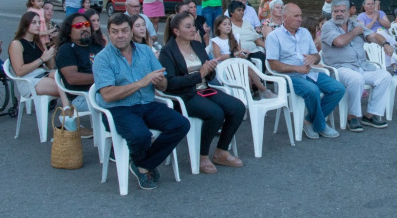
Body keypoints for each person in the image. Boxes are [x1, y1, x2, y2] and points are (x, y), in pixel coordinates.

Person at [93, 13, 191, 190]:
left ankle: (143, 164)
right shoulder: (103, 58)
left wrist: (159, 80)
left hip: (146, 104)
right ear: (108, 33)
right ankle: (144, 164)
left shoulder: (145, 51)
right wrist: (142, 82)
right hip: (118, 108)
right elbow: (107, 95)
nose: (120, 35)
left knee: (181, 124)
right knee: (141, 135)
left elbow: (163, 85)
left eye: (124, 30)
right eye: (114, 32)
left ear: (131, 32)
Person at [160, 12, 245, 174]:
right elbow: (170, 83)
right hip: (184, 95)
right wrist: (199, 74)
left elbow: (209, 75)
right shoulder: (167, 51)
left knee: (238, 107)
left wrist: (210, 69)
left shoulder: (197, 45)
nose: (194, 29)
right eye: (189, 26)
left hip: (204, 89)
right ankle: (202, 156)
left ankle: (221, 151)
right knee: (215, 113)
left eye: (193, 25)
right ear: (176, 31)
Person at [266, 3, 345, 139]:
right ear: (284, 17)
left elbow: (316, 56)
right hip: (289, 78)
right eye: (296, 16)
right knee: (312, 90)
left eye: (300, 15)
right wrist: (297, 68)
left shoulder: (305, 33)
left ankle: (308, 120)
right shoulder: (274, 36)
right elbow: (273, 65)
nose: (300, 19)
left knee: (338, 88)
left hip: (309, 73)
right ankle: (321, 126)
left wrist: (312, 58)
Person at [322, 0, 393, 132]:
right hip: (340, 68)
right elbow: (339, 42)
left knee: (385, 76)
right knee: (356, 78)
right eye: (335, 11)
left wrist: (385, 43)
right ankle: (352, 116)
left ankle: (370, 114)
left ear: (349, 12)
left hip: (361, 65)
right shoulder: (328, 26)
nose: (338, 14)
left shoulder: (355, 25)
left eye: (342, 11)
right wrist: (355, 33)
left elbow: (373, 36)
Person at [7, 12, 70, 109]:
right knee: (67, 88)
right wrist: (41, 59)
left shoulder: (39, 42)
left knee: (64, 77)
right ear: (25, 24)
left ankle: (67, 111)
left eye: (39, 23)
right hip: (27, 80)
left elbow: (51, 66)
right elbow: (19, 71)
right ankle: (68, 114)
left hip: (42, 74)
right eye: (34, 23)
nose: (38, 25)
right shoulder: (17, 44)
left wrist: (54, 47)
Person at [212, 15, 275, 99]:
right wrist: (234, 54)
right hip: (225, 68)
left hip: (237, 65)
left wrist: (243, 55)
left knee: (248, 78)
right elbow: (218, 57)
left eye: (229, 24)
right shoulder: (216, 41)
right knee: (248, 70)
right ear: (218, 27)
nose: (228, 26)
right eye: (224, 24)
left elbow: (239, 54)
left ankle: (247, 99)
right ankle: (263, 91)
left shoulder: (235, 37)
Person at [55, 13, 104, 113]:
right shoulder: (66, 49)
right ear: (69, 32)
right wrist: (103, 77)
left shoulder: (96, 46)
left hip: (102, 91)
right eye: (78, 26)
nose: (84, 28)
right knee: (119, 100)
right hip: (82, 97)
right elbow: (72, 78)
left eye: (86, 24)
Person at [227, 1, 269, 71]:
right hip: (239, 52)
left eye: (242, 10)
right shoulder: (228, 24)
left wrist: (267, 47)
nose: (242, 12)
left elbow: (256, 39)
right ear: (231, 12)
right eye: (239, 10)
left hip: (253, 51)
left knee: (263, 57)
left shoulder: (247, 23)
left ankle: (261, 79)